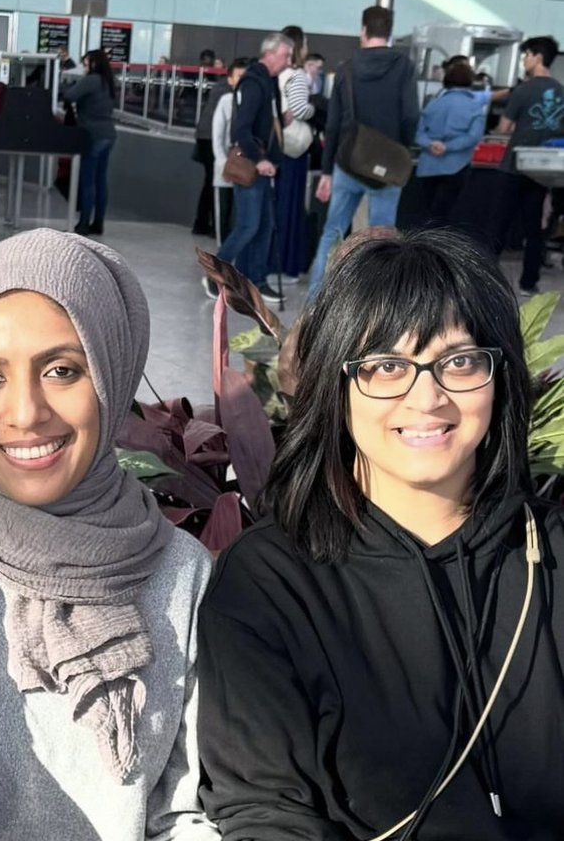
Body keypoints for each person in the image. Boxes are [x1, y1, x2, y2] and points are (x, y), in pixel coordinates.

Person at [198, 228, 564, 838]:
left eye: (460, 360)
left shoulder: (549, 555)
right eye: (387, 365)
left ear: (498, 377)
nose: (428, 397)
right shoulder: (269, 585)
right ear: (336, 385)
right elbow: (267, 812)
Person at [0, 228, 215, 840]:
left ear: (113, 373)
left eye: (61, 369)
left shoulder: (180, 572)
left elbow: (183, 812)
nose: (25, 413)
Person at [307, 5, 419, 295]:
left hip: (349, 161)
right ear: (390, 33)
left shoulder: (346, 68)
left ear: (363, 31)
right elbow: (410, 116)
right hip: (388, 164)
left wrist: (327, 171)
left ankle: (315, 303)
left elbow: (332, 126)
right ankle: (372, 307)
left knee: (332, 233)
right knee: (382, 240)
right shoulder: (404, 66)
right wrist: (401, 150)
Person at [212, 33, 293, 304]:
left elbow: (259, 123)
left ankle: (256, 280)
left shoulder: (268, 83)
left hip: (263, 166)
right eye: (285, 56)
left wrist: (280, 121)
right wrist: (259, 159)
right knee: (248, 226)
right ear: (269, 54)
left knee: (263, 226)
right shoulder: (254, 83)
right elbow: (241, 128)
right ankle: (216, 273)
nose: (288, 61)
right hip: (251, 165)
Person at [489, 35, 564, 296]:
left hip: (514, 167)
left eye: (526, 55)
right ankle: (529, 283)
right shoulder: (561, 91)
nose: (524, 60)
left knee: (499, 223)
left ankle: (487, 279)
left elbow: (504, 128)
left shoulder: (524, 90)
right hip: (544, 170)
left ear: (538, 57)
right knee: (535, 228)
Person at [416, 61, 487, 227]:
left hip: (428, 166)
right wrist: (448, 147)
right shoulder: (475, 107)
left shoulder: (432, 103)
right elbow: (474, 136)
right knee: (446, 216)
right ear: (470, 81)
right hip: (457, 166)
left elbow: (417, 132)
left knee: (427, 213)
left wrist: (430, 144)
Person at [64, 48, 118, 236]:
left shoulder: (91, 80)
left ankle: (84, 223)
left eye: (86, 63)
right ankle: (99, 222)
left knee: (87, 181)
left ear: (94, 63)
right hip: (109, 134)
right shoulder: (109, 81)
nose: (85, 67)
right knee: (100, 180)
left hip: (92, 135)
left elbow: (69, 95)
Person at [275, 35, 316, 278]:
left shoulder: (275, 75)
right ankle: (288, 263)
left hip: (278, 147)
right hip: (295, 149)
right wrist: (314, 108)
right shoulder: (297, 75)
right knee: (291, 208)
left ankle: (273, 260)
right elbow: (300, 109)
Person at [208, 57, 249, 251]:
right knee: (223, 214)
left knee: (241, 216)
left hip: (246, 170)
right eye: (238, 76)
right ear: (230, 79)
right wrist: (222, 162)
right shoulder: (226, 100)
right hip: (226, 167)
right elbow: (217, 134)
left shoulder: (252, 101)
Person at [191, 65, 233, 238]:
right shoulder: (228, 92)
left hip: (204, 137)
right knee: (214, 182)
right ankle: (213, 225)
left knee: (209, 182)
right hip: (211, 139)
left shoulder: (219, 87)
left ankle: (202, 223)